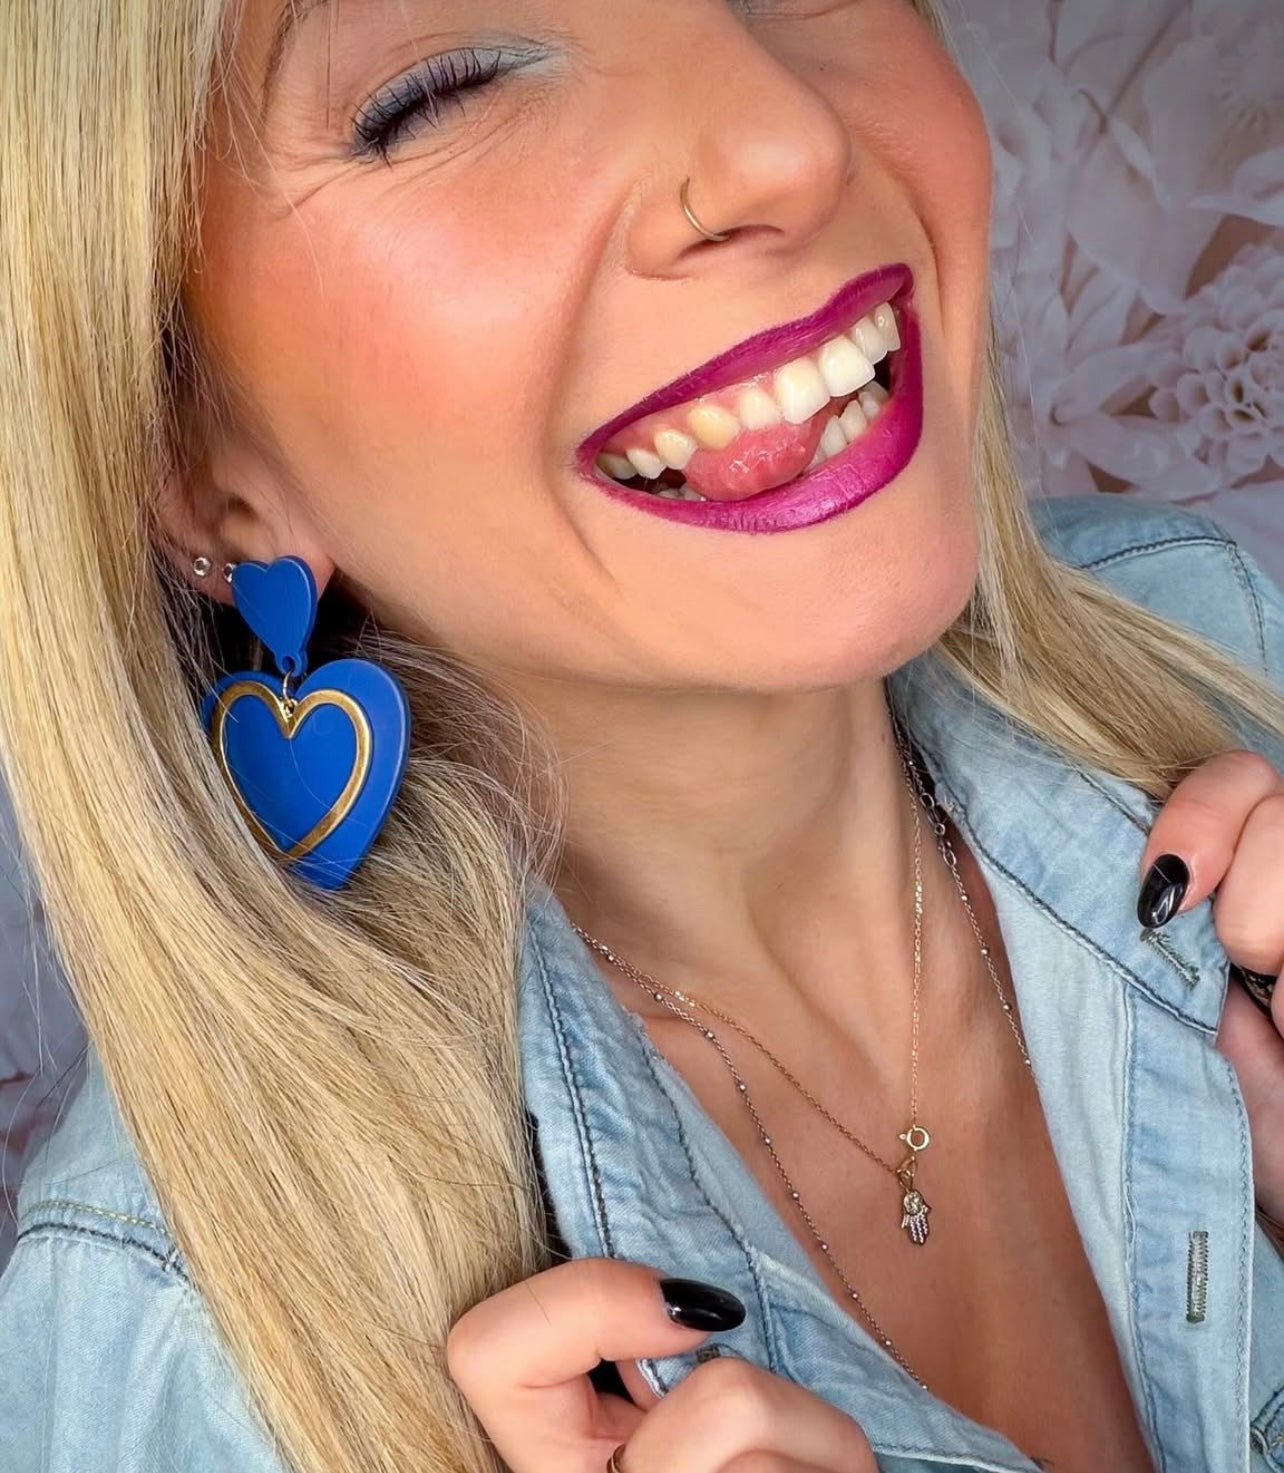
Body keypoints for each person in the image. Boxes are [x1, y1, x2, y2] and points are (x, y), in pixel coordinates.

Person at [1, 3, 1283, 1472]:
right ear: (194, 456)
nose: (787, 142)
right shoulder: (191, 1352)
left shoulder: (1218, 643)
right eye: (450, 87)